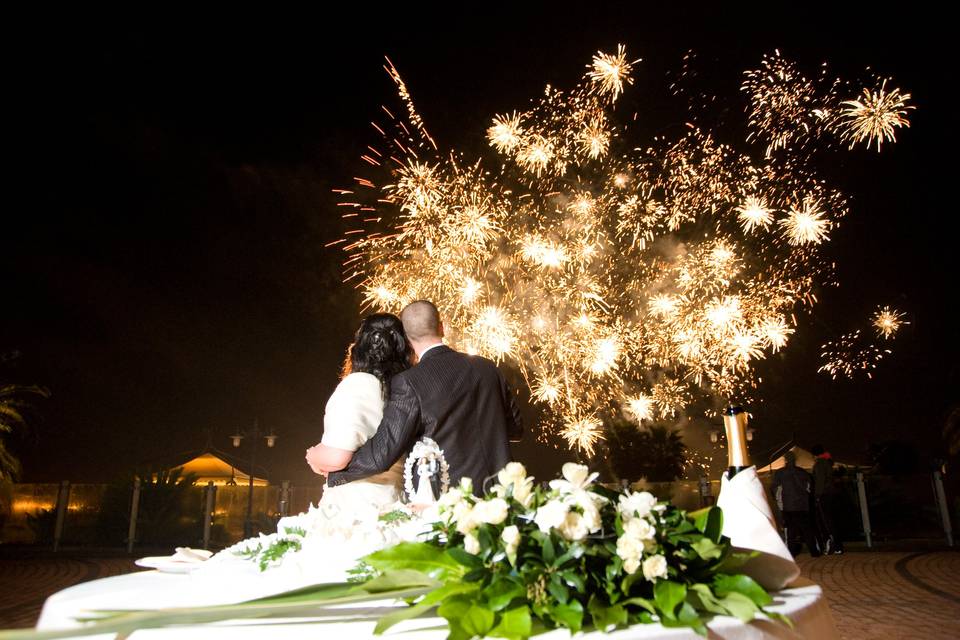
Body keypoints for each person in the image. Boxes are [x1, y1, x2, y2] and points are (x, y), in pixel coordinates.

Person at [319, 299, 523, 493]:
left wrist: (335, 472)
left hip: (450, 502)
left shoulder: (409, 382)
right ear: (442, 327)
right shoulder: (487, 367)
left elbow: (382, 454)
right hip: (502, 494)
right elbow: (516, 429)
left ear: (406, 339)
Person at [304, 312, 413, 513]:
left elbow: (337, 457)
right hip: (396, 501)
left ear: (359, 348)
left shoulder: (357, 385)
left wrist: (314, 455)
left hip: (356, 508)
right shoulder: (404, 390)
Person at [772, 450, 821, 557]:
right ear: (795, 460)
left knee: (791, 531)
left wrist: (779, 503)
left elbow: (775, 490)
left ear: (785, 460)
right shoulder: (802, 472)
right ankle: (814, 551)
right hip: (802, 505)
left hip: (788, 506)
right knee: (807, 530)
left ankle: (791, 553)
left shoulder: (780, 473)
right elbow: (809, 488)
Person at [811, 444, 844, 554]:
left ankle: (833, 545)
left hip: (824, 494)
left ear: (814, 454)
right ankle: (837, 545)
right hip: (831, 493)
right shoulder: (828, 462)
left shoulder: (820, 464)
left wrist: (817, 495)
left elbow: (820, 481)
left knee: (826, 521)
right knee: (832, 520)